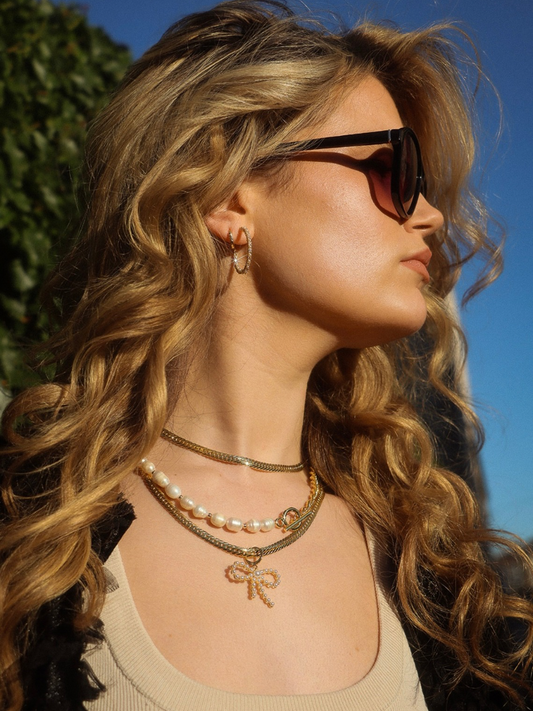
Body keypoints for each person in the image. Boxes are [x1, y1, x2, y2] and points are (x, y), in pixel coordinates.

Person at [1, 1, 532, 709]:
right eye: (391, 166)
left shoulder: (436, 572)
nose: (429, 215)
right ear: (227, 193)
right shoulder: (27, 533)